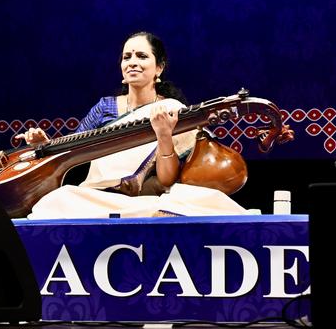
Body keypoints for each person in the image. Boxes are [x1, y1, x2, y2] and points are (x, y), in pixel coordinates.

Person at [24, 32, 246, 219]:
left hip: (144, 200)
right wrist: (47, 145)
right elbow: (72, 149)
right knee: (56, 200)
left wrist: (164, 134)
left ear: (159, 68)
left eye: (141, 56)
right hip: (101, 199)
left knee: (191, 198)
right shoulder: (105, 108)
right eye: (126, 57)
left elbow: (167, 179)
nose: (132, 62)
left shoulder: (172, 110)